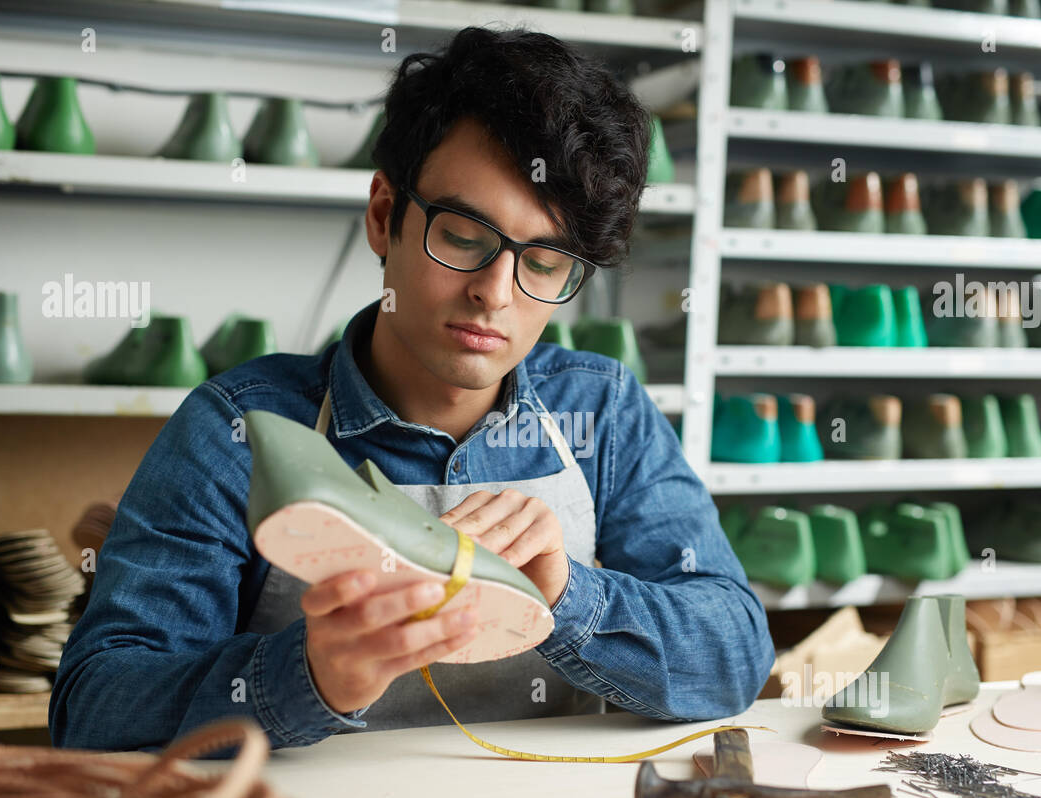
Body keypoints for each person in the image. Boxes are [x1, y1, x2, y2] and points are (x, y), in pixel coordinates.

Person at [50, 26, 773, 752]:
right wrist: (309, 674)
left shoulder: (602, 413)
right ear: (382, 216)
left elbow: (735, 654)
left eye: (546, 260)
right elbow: (94, 713)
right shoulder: (239, 429)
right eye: (463, 235)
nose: (495, 293)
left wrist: (567, 596)